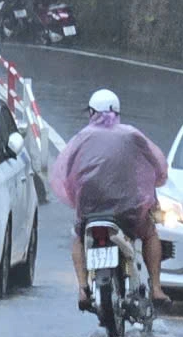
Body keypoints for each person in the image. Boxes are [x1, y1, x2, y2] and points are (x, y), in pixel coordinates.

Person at [49, 87, 168, 312]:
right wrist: (157, 179)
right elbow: (158, 163)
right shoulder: (132, 134)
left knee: (78, 237)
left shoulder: (81, 138)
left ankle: (83, 287)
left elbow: (64, 171)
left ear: (92, 112)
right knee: (150, 233)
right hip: (129, 212)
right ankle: (157, 288)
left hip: (90, 211)